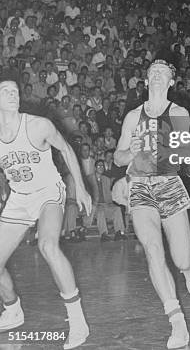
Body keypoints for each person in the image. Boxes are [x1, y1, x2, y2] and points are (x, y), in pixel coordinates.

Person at [114, 57, 190, 350]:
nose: (157, 77)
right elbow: (118, 157)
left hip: (168, 186)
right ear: (146, 79)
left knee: (181, 258)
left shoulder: (178, 113)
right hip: (140, 188)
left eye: (162, 74)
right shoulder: (132, 117)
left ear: (171, 82)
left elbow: (186, 154)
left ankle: (189, 268)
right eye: (153, 73)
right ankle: (176, 320)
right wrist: (131, 152)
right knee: (153, 250)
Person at [0, 74, 91, 349]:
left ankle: (78, 321)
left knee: (48, 246)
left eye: (15, 90)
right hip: (19, 199)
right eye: (6, 91)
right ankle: (12, 308)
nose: (13, 94)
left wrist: (82, 188)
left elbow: (66, 149)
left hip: (49, 192)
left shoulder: (39, 125)